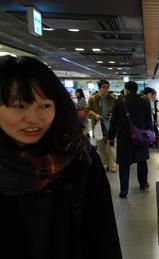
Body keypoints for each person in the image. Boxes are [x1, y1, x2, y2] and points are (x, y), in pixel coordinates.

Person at [0, 56, 121, 258]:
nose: (32, 118)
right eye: (19, 106)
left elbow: (104, 238)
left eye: (44, 105)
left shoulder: (81, 160)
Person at [108, 81, 153, 198]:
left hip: (124, 138)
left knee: (124, 164)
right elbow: (149, 120)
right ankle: (143, 184)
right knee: (142, 161)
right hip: (141, 136)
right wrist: (150, 134)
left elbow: (113, 122)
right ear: (137, 89)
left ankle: (124, 190)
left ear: (126, 89)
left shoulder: (119, 102)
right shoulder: (144, 102)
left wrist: (111, 137)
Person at [87, 79, 117, 172]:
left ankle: (112, 164)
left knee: (110, 147)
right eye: (104, 87)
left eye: (107, 87)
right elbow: (88, 110)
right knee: (101, 147)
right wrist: (95, 115)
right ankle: (105, 163)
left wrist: (114, 115)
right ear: (99, 88)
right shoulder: (93, 99)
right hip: (98, 126)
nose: (106, 89)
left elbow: (118, 112)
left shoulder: (113, 99)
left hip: (110, 127)